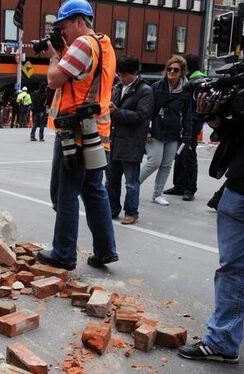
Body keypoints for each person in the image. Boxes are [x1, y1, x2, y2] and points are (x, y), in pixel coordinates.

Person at [36, 0, 118, 270]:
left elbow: (54, 79)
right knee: (94, 191)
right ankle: (105, 250)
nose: (62, 33)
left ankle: (64, 252)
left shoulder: (83, 44)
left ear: (80, 22)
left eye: (64, 27)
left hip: (77, 133)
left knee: (66, 192)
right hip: (98, 132)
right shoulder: (104, 45)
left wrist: (54, 57)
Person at [177, 84, 244, 364]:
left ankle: (223, 339)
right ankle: (223, 340)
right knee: (233, 269)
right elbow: (234, 134)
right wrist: (215, 116)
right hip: (240, 188)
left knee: (234, 269)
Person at [106, 55, 154, 225]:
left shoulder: (145, 90)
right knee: (111, 179)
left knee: (131, 182)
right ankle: (112, 209)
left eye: (125, 75)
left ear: (135, 73)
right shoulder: (117, 87)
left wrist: (116, 112)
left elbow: (142, 116)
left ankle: (131, 212)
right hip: (113, 141)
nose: (122, 78)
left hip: (131, 142)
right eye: (119, 74)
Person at [139, 55, 192, 206]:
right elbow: (148, 110)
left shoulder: (185, 91)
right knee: (154, 162)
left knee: (167, 165)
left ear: (182, 72)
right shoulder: (156, 87)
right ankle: (134, 185)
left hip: (173, 133)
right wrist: (147, 130)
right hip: (155, 131)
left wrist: (187, 136)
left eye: (176, 69)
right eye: (169, 68)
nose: (172, 71)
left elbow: (187, 115)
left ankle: (157, 194)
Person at [164, 53, 206, 201]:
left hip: (191, 124)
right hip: (189, 123)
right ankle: (180, 185)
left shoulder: (195, 82)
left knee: (188, 155)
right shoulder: (195, 80)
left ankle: (189, 188)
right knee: (180, 154)